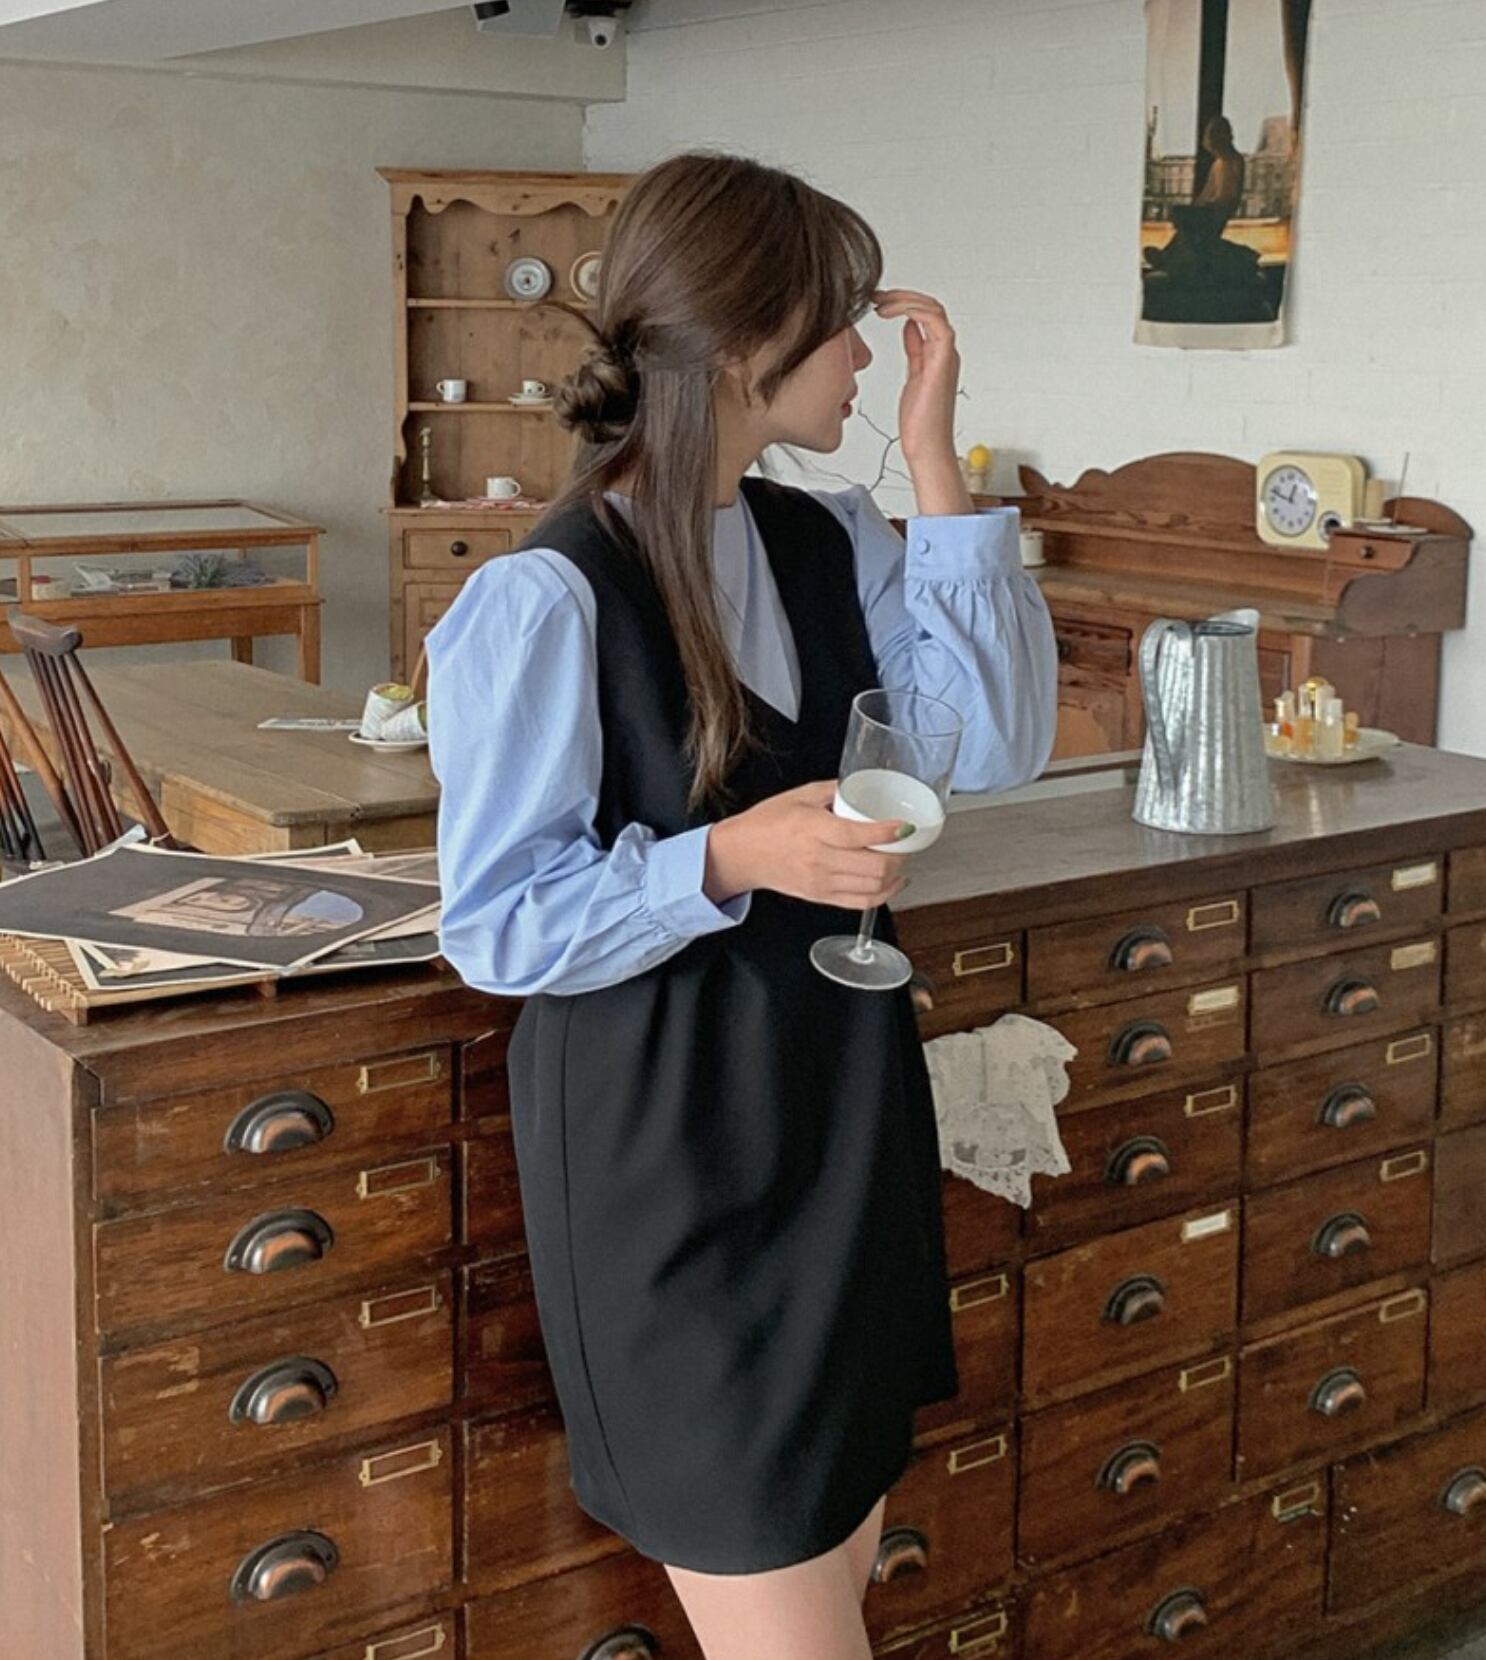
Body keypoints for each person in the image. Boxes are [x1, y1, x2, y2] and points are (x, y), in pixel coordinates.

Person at [426, 150, 1057, 1660]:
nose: (863, 358)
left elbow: (992, 742)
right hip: (669, 1159)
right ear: (744, 342)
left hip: (841, 1116)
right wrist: (726, 859)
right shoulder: (547, 595)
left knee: (837, 1566)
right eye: (841, 325)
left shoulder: (824, 537)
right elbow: (495, 924)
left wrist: (933, 462)